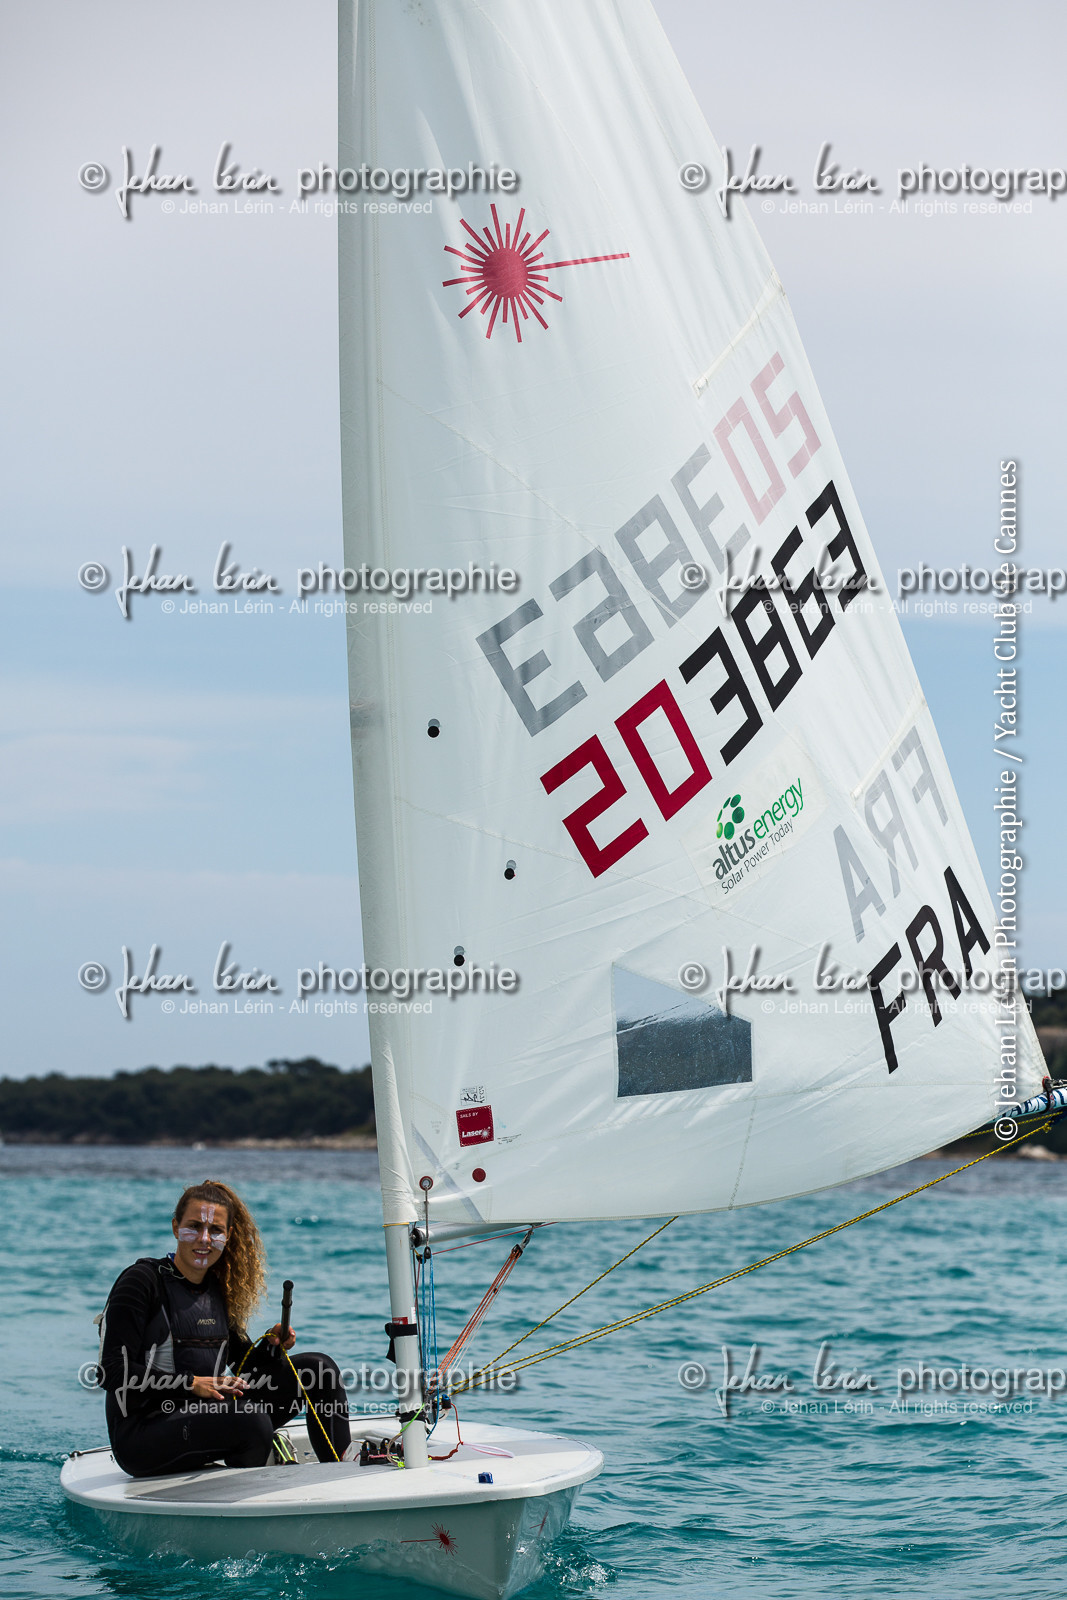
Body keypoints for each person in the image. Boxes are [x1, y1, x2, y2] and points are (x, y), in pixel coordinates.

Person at [98, 1179, 352, 1477]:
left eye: (215, 1230)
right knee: (250, 1419)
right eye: (194, 1227)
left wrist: (272, 1346)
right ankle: (251, 1493)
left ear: (228, 1235)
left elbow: (247, 1368)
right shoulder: (141, 1281)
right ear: (176, 1227)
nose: (204, 1239)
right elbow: (111, 1371)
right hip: (144, 1434)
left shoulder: (217, 1289)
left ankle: (341, 1474)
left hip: (208, 1416)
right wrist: (191, 1383)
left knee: (318, 1370)